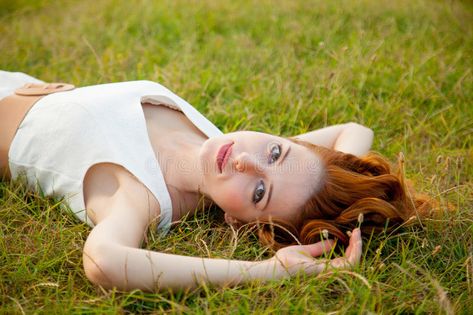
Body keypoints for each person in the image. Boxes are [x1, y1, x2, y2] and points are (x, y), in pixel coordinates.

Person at [0, 71, 431, 292]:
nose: (245, 161)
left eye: (260, 192)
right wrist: (348, 204)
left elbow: (104, 262)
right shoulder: (219, 144)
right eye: (276, 150)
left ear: (237, 219)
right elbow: (352, 130)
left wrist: (270, 272)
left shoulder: (140, 193)